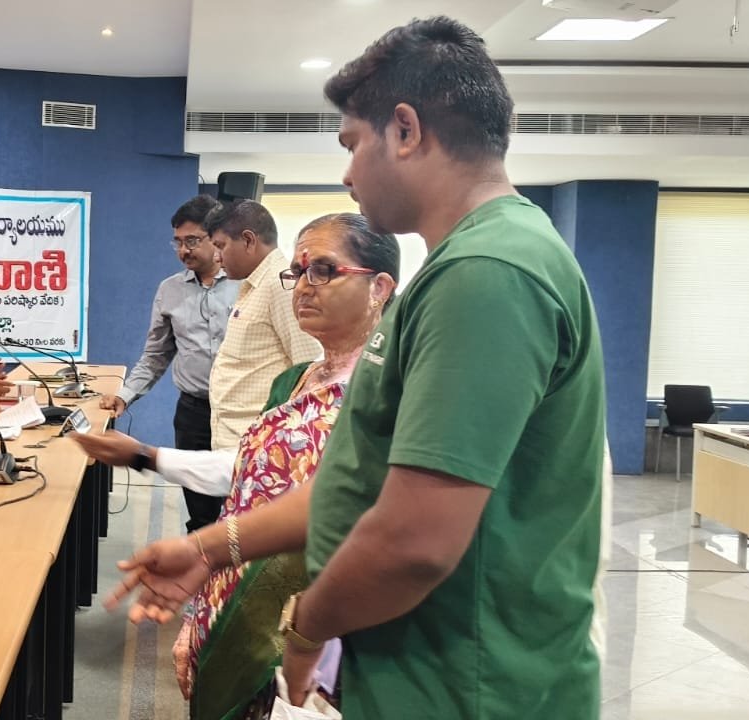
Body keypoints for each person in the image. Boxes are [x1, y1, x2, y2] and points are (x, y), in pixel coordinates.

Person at [109, 17, 609, 719]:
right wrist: (210, 548)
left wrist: (307, 626)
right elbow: (354, 484)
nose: (346, 175)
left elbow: (414, 540)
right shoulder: (458, 270)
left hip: (471, 688)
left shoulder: (489, 272)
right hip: (424, 677)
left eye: (351, 144)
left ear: (404, 130)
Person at [76, 214, 397, 719]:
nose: (303, 287)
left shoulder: (388, 398)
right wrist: (146, 456)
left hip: (305, 628)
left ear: (379, 287)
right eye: (298, 272)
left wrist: (307, 638)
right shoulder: (297, 379)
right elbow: (248, 475)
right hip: (231, 584)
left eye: (323, 270)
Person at [100, 194, 240, 532]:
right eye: (177, 242)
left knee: (243, 504)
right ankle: (201, 563)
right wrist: (125, 394)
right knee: (202, 513)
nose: (183, 250)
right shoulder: (169, 290)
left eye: (192, 240)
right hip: (194, 413)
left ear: (216, 238)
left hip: (241, 412)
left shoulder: (247, 284)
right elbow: (156, 354)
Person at [205, 200, 322, 450]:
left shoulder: (281, 285)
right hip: (237, 440)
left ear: (248, 240)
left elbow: (309, 368)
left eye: (220, 246)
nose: (216, 257)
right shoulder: (255, 284)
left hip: (261, 443)